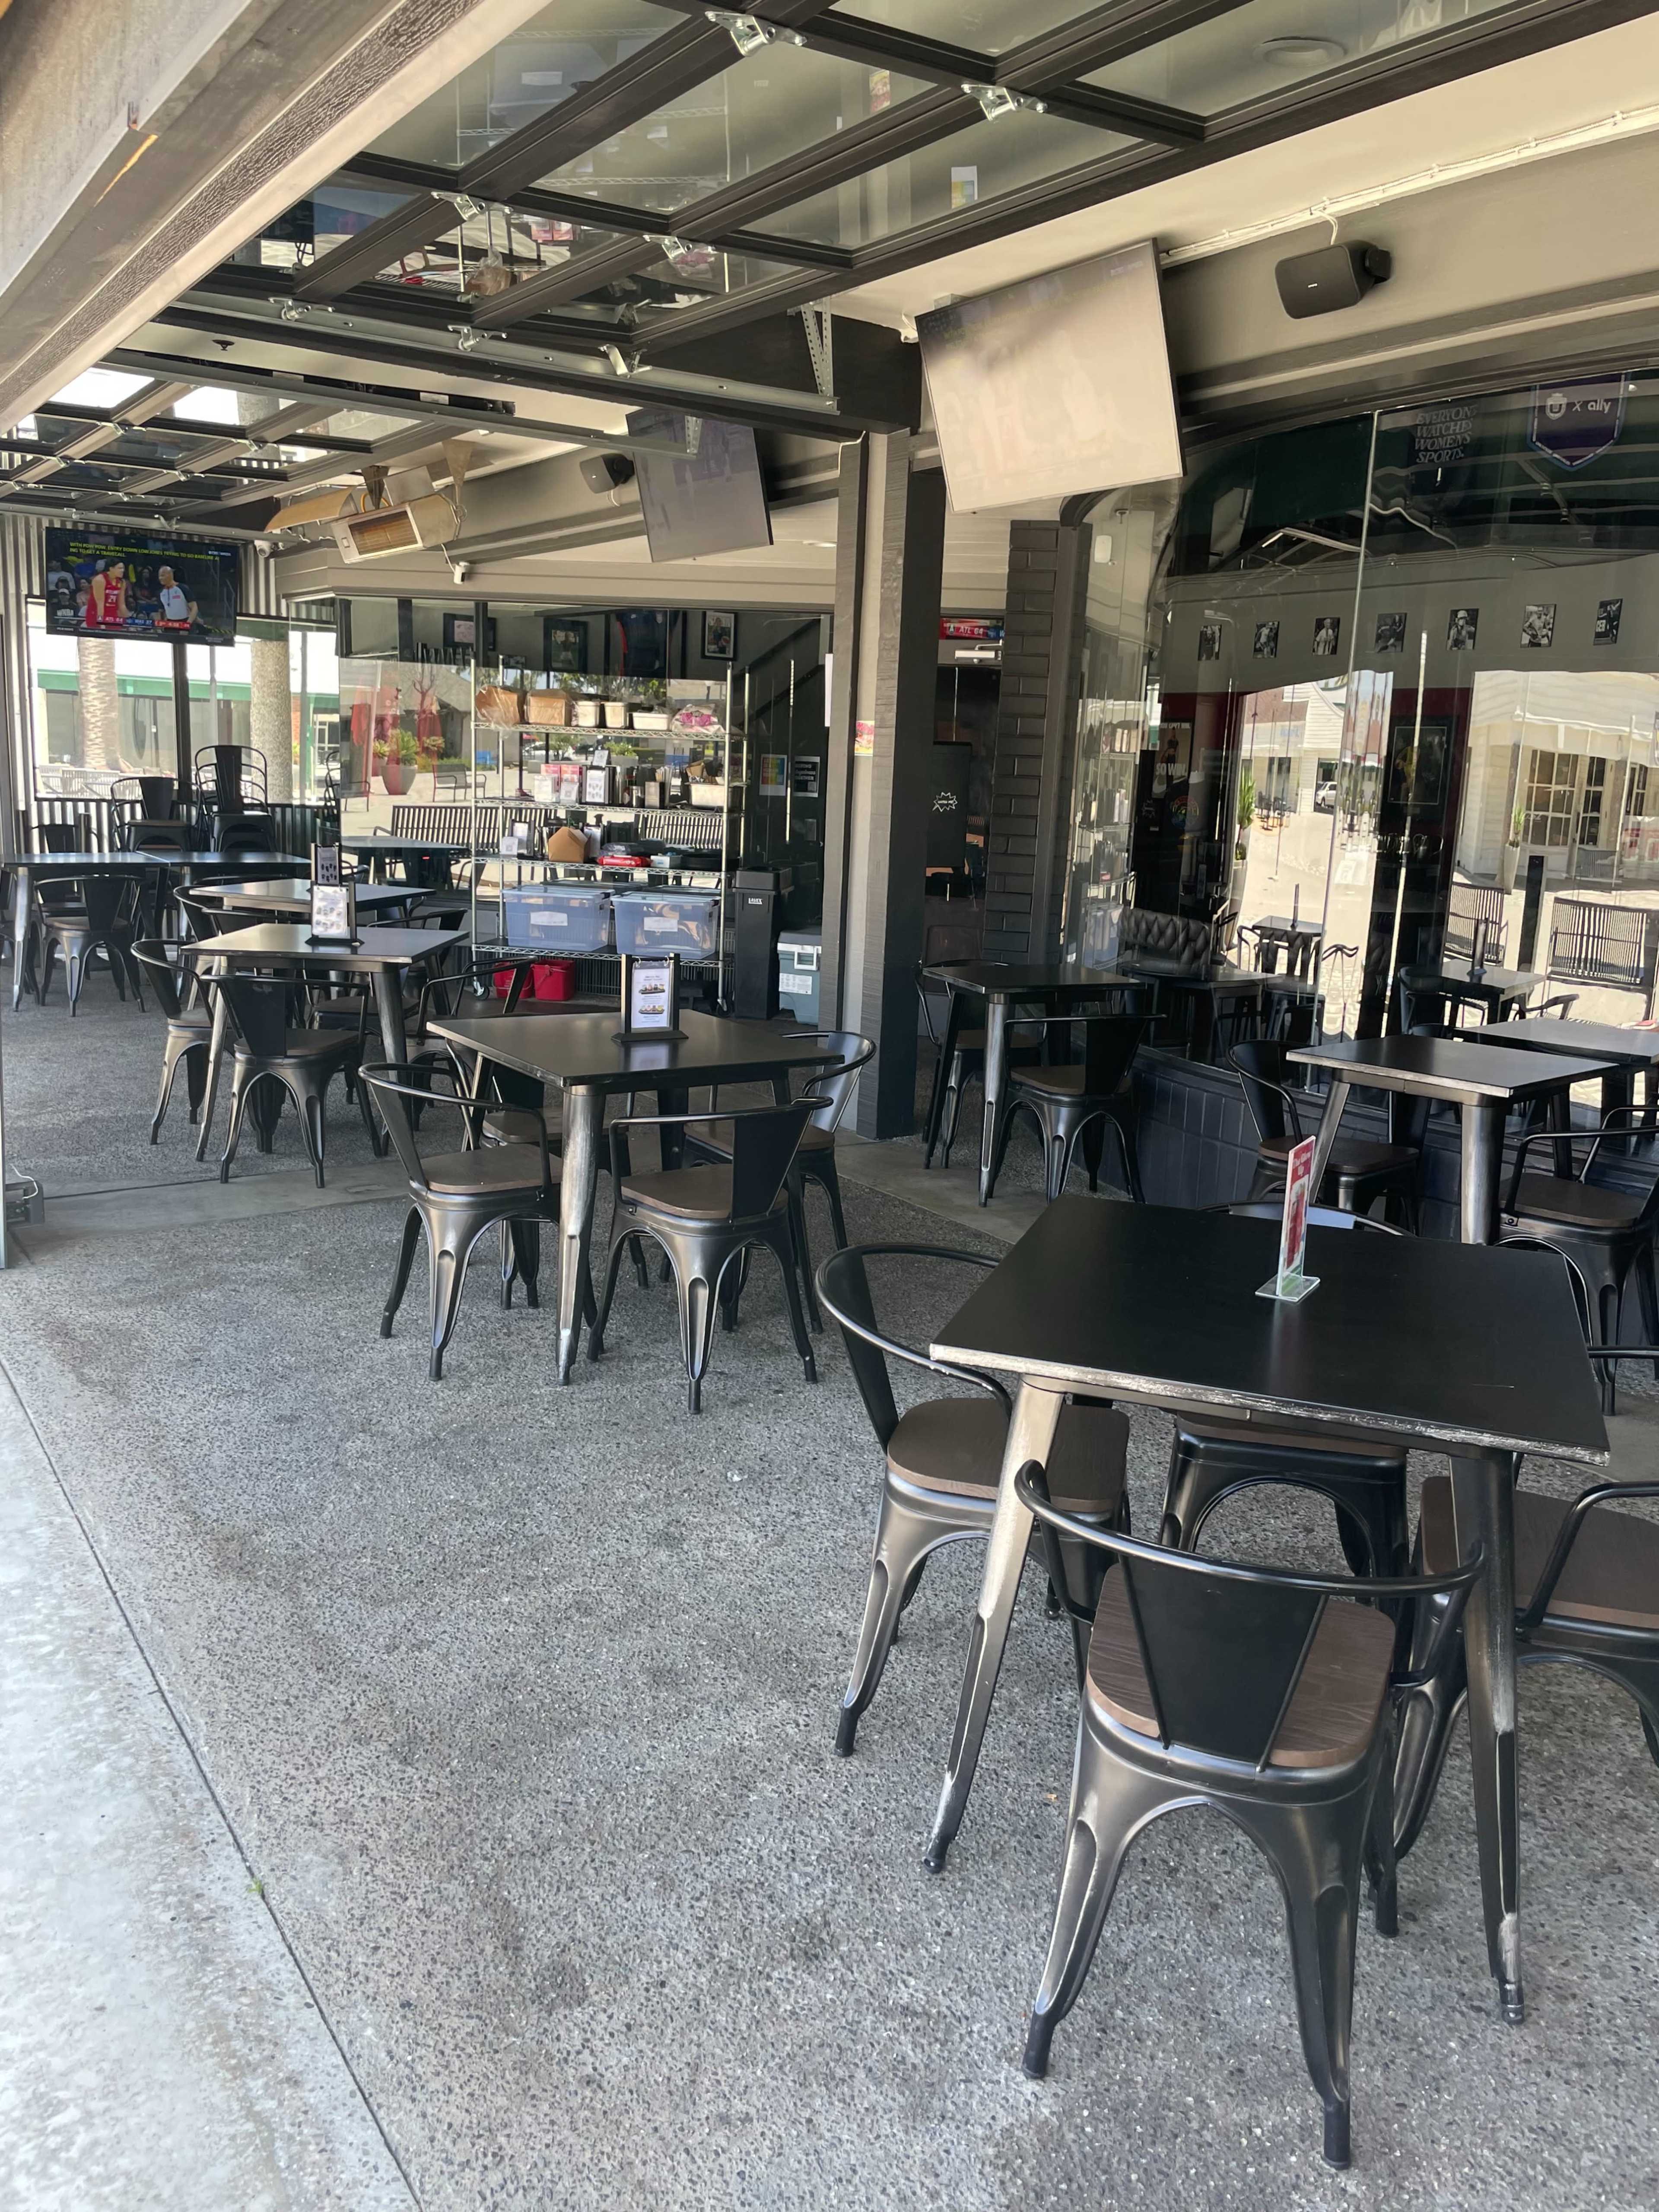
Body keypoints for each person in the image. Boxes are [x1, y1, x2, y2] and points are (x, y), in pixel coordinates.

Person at [84, 561, 128, 628]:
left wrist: (129, 622)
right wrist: (101, 622)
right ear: (111, 569)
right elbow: (100, 604)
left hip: (112, 615)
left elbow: (122, 605)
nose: (123, 571)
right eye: (120, 568)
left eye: (123, 568)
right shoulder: (100, 580)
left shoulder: (122, 582)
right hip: (96, 613)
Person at [156, 565, 198, 630]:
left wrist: (188, 624)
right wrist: (162, 625)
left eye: (163, 575)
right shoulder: (161, 593)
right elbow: (161, 611)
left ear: (170, 575)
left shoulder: (183, 588)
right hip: (170, 625)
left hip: (185, 622)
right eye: (159, 576)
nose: (160, 578)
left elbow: (194, 608)